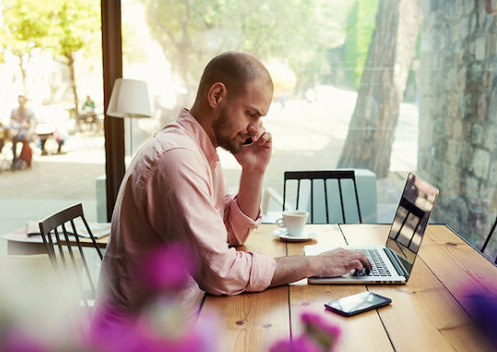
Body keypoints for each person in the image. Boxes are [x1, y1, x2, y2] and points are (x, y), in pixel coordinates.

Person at [97, 51, 371, 313]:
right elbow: (220, 272)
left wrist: (253, 171)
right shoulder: (178, 159)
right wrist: (315, 263)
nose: (256, 128)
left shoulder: (198, 150)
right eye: (250, 114)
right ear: (216, 95)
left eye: (259, 118)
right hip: (141, 344)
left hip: (183, 317)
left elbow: (230, 231)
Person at [9, 95, 35, 167]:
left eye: (22, 101)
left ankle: (21, 159)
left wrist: (29, 134)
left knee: (24, 138)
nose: (20, 103)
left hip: (26, 134)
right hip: (16, 133)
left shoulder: (30, 112)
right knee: (13, 139)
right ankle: (15, 160)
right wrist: (13, 130)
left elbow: (32, 126)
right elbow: (11, 124)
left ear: (25, 102)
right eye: (19, 101)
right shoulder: (14, 111)